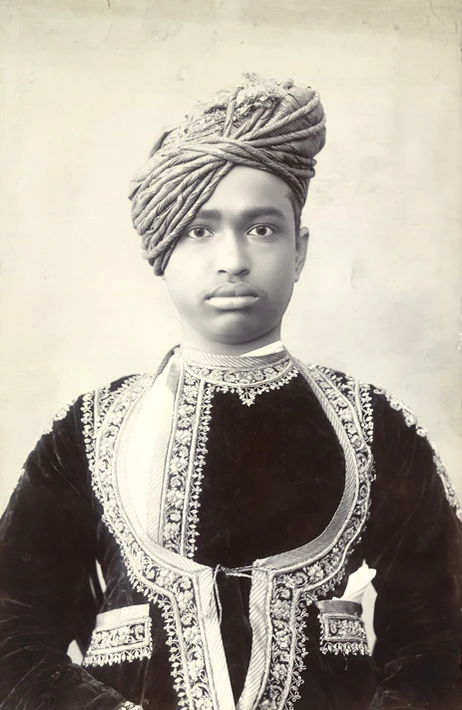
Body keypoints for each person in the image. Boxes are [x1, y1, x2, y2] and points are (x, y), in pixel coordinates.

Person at [0, 74, 460, 710]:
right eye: (200, 230)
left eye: (263, 229)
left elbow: (441, 642)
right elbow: (13, 636)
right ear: (163, 248)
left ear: (300, 250)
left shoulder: (374, 427)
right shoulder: (89, 432)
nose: (234, 259)